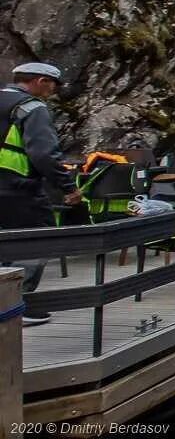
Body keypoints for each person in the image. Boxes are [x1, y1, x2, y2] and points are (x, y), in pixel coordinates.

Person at [0, 62, 82, 326]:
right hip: (18, 189)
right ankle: (15, 310)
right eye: (52, 84)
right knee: (37, 241)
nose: (53, 90)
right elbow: (44, 154)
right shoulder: (31, 108)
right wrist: (68, 187)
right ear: (40, 81)